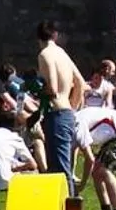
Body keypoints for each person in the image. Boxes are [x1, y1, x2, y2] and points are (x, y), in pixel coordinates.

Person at [35, 21, 86, 194]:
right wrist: (72, 106)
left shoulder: (45, 55)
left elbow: (52, 88)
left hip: (55, 113)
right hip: (66, 112)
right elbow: (80, 83)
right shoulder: (62, 53)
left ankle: (69, 208)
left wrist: (35, 90)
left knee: (60, 168)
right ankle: (63, 207)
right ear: (55, 35)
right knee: (63, 164)